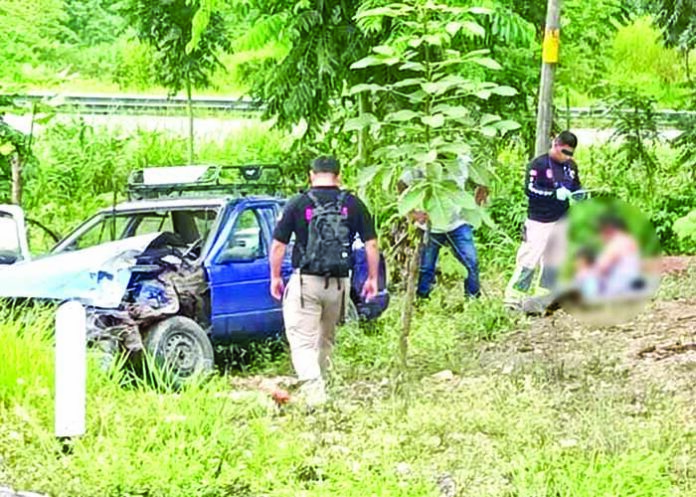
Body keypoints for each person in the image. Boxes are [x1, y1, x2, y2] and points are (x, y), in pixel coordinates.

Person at [270, 156, 379, 407]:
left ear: (311, 175)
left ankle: (316, 398)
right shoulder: (352, 203)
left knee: (303, 343)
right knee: (325, 340)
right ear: (338, 176)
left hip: (306, 283)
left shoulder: (298, 203)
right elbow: (371, 243)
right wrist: (372, 278)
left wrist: (275, 277)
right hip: (339, 285)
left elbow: (278, 245)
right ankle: (321, 389)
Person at [505, 131, 582, 307]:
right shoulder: (538, 164)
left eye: (570, 153)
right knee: (529, 259)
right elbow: (530, 189)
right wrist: (553, 194)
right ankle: (513, 298)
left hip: (561, 219)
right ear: (555, 145)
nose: (567, 157)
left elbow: (576, 186)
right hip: (539, 221)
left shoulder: (571, 167)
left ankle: (542, 298)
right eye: (564, 152)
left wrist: (578, 195)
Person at [398, 155, 488, 299]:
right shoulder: (422, 165)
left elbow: (482, 178)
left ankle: (473, 299)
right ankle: (423, 298)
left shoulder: (462, 162)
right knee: (426, 267)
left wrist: (478, 199)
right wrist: (412, 212)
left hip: (458, 223)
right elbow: (402, 184)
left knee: (471, 261)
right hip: (429, 226)